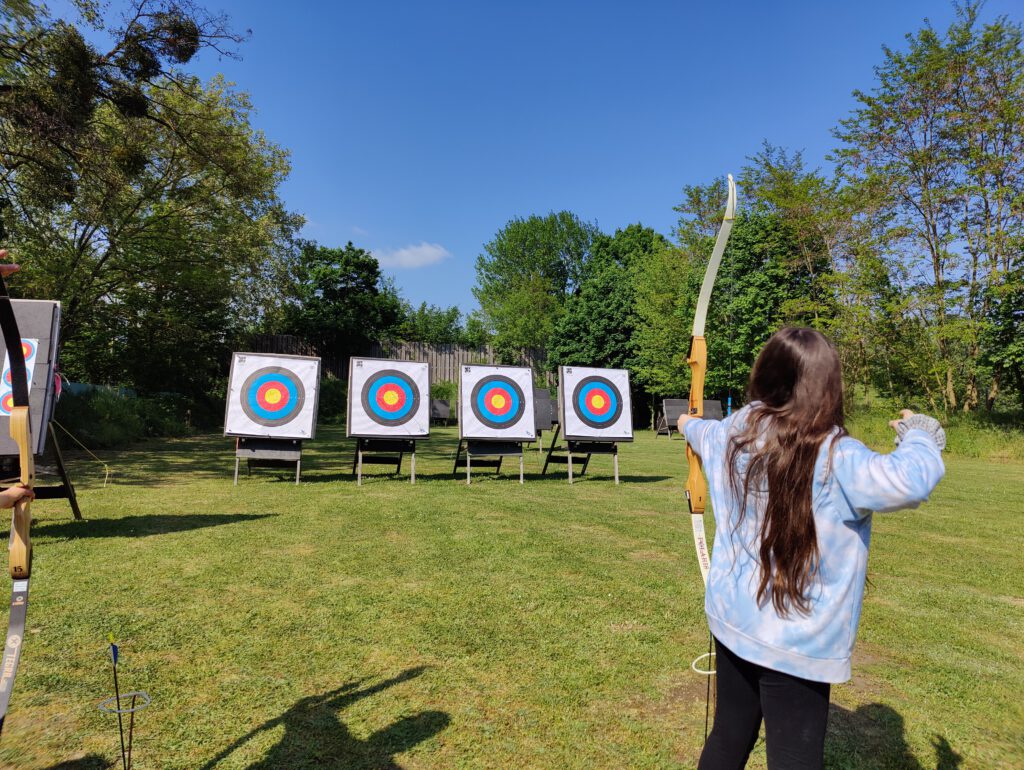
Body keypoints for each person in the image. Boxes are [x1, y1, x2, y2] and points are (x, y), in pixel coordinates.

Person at [678, 326, 945, 770]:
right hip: (797, 642)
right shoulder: (838, 455)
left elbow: (703, 431)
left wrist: (687, 423)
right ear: (825, 386)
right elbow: (910, 478)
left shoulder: (737, 429)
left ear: (765, 375)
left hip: (734, 622)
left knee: (728, 737)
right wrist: (918, 431)